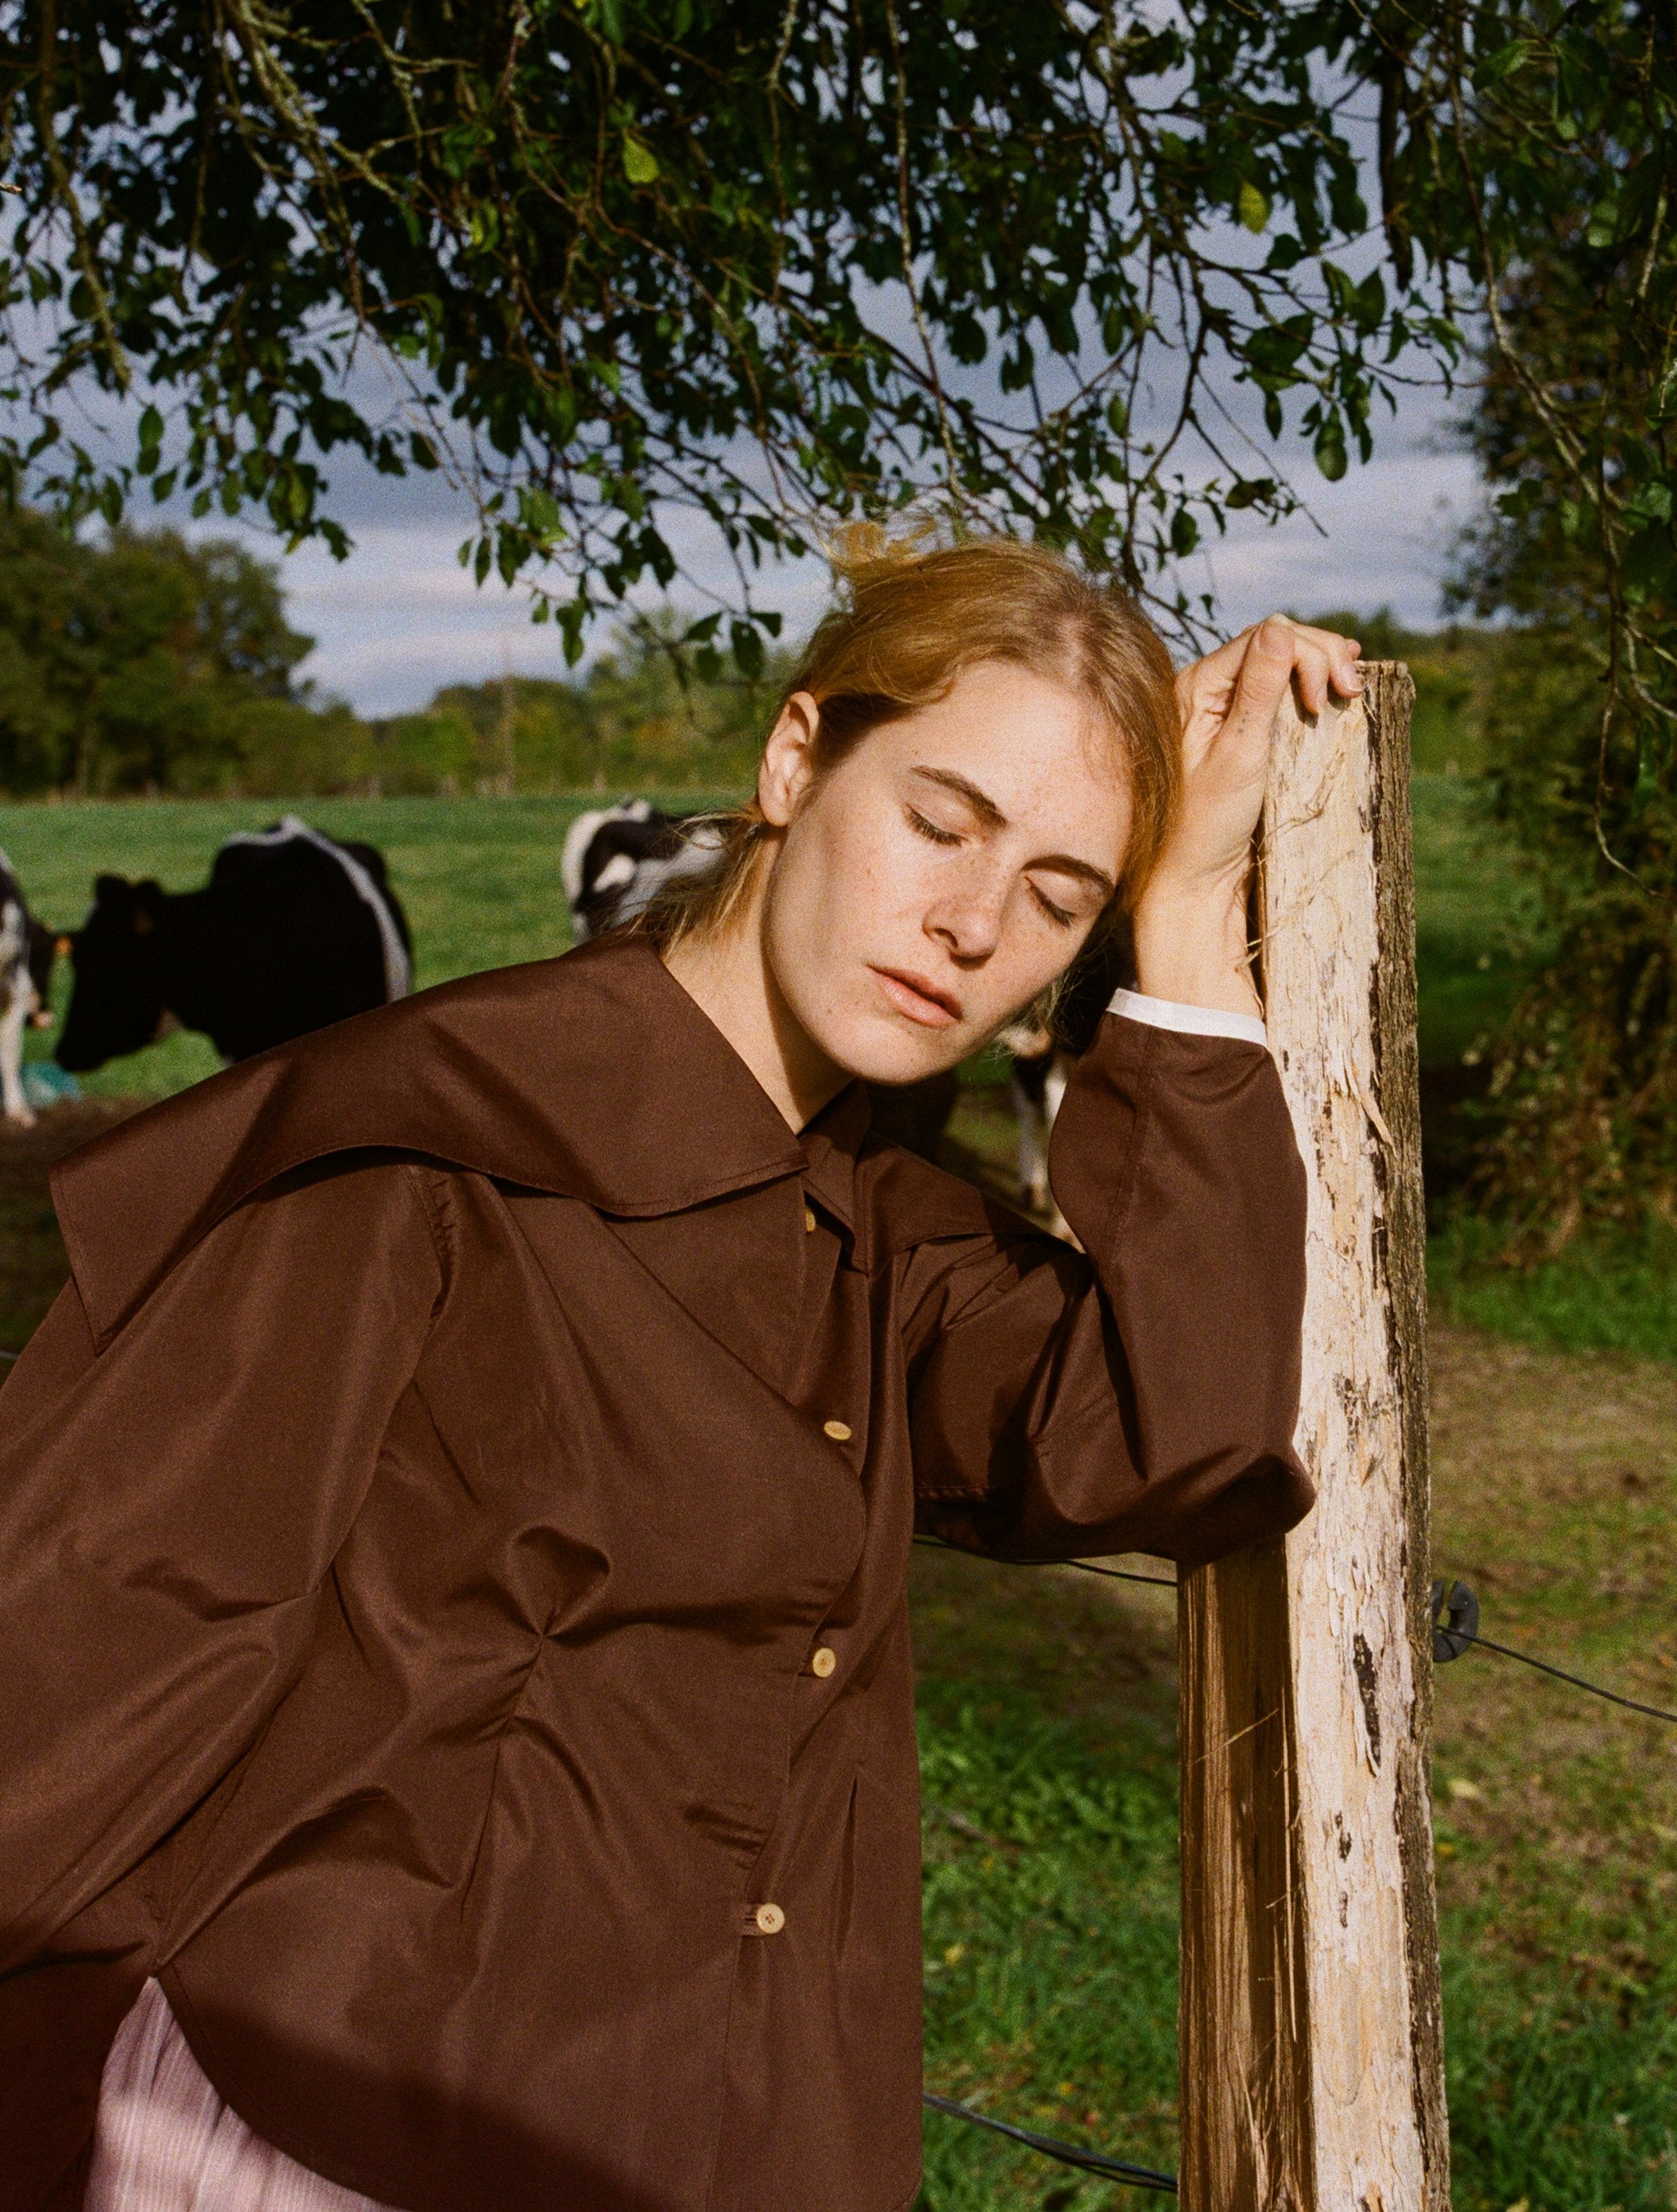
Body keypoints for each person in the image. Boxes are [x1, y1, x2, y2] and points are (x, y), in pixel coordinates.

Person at [0, 536, 1361, 2212]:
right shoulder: (422, 1142)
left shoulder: (884, 1230)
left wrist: (1188, 933)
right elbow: (76, 1672)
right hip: (318, 2137)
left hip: (713, 2137)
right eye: (940, 820)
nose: (969, 922)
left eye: (1057, 895)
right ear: (794, 759)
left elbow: (1182, 1435)